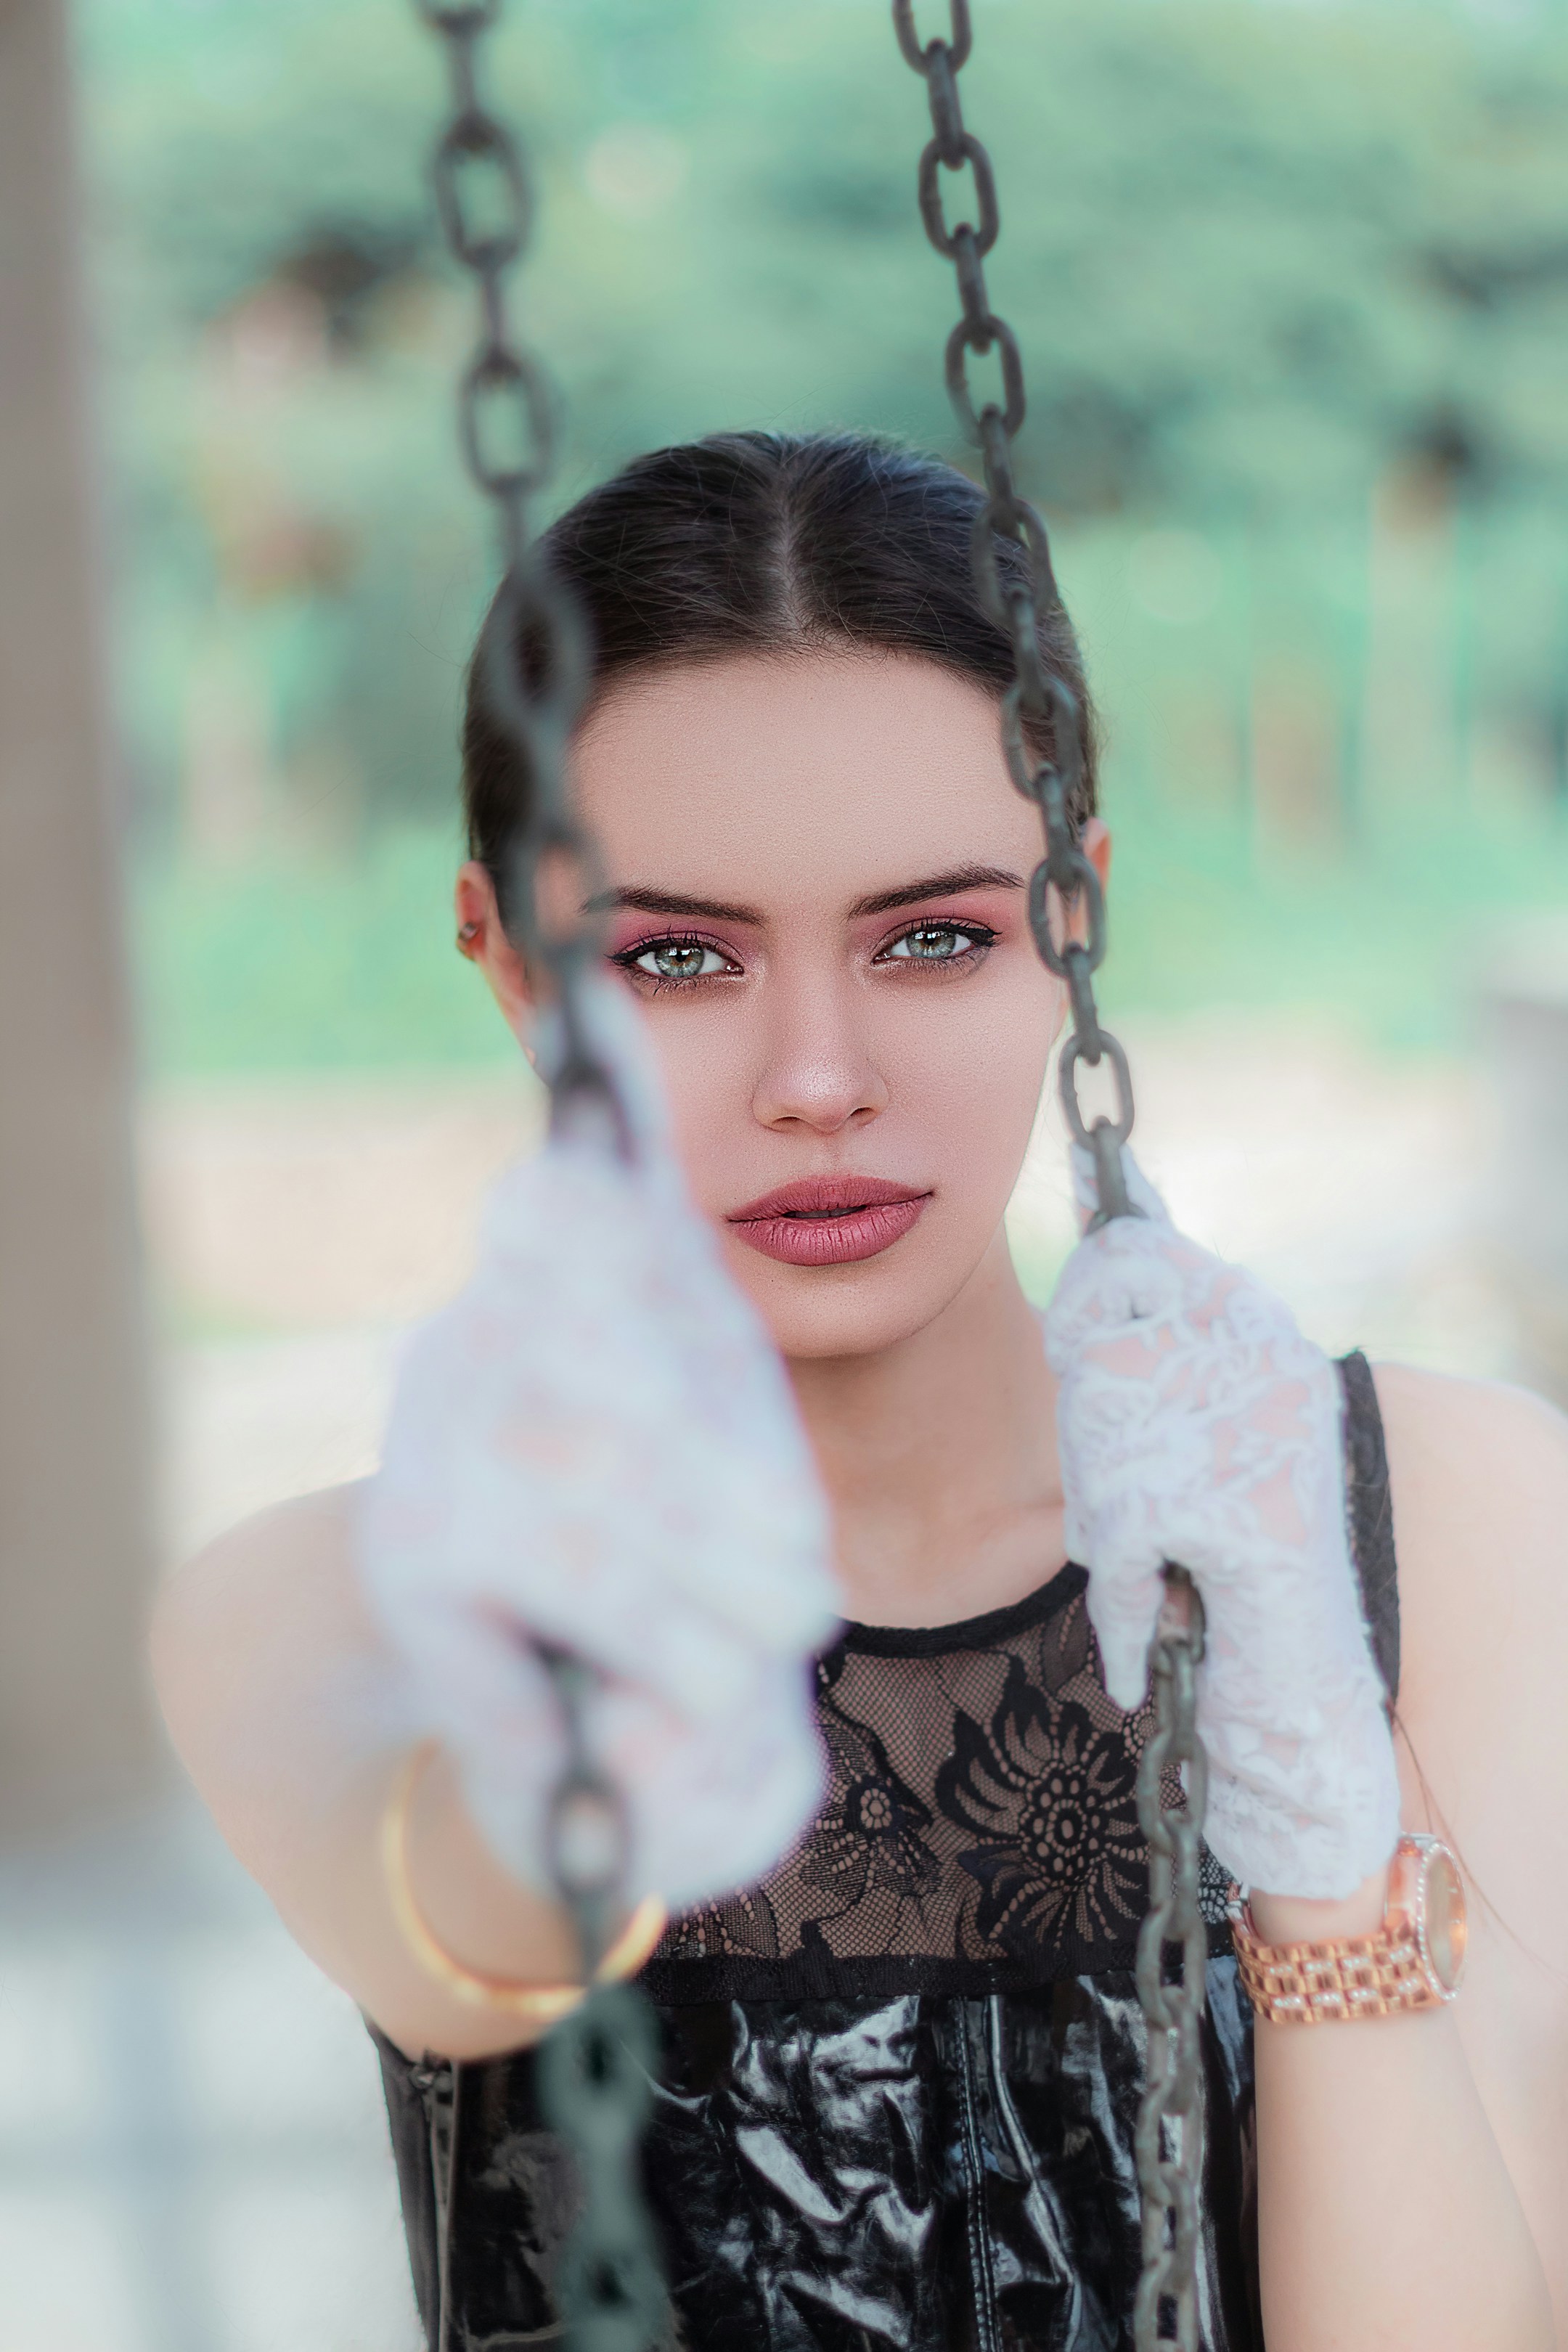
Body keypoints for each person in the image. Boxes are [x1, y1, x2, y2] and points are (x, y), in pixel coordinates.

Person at [151, 431, 1567, 2352]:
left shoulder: (1460, 1517)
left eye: (933, 939)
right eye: (674, 957)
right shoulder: (315, 1605)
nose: (819, 1079)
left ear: (1072, 916)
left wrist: (1319, 1836)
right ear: (508, 961)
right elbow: (465, 1947)